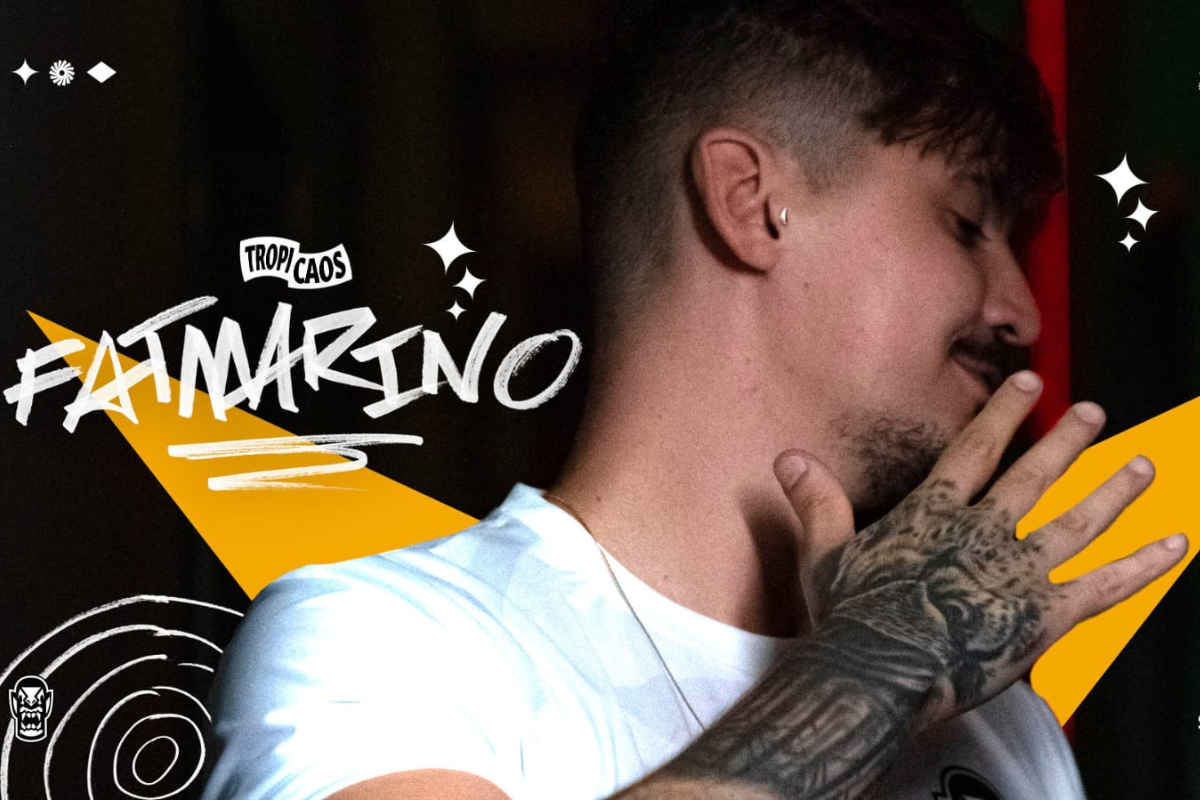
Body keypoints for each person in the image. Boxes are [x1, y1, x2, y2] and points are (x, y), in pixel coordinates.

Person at [203, 1, 1188, 797]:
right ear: (751, 202)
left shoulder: (997, 716)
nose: (1020, 309)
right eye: (967, 223)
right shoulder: (390, 643)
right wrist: (870, 674)